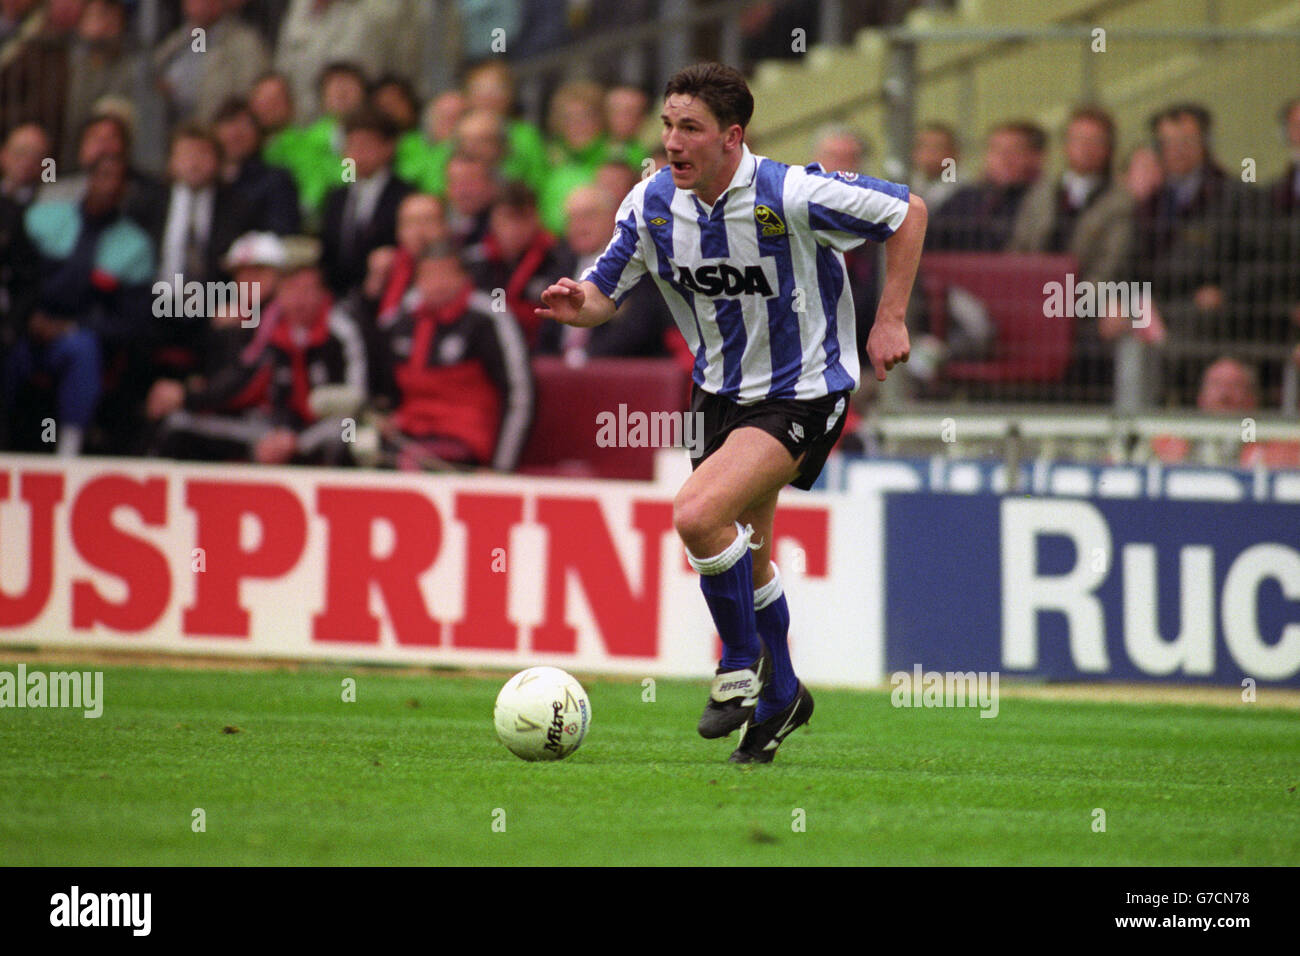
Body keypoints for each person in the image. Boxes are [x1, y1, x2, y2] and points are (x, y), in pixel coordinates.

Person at [539, 63, 925, 764]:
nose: (673, 141)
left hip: (804, 391)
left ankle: (740, 668)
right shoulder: (651, 203)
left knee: (695, 514)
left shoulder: (791, 192)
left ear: (731, 136)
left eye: (690, 128)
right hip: (719, 396)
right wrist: (579, 307)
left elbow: (906, 212)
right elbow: (604, 292)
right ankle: (783, 697)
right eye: (667, 125)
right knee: (746, 552)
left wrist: (889, 319)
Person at [374, 242, 534, 472]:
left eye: (445, 274)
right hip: (411, 431)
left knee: (410, 462)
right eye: (429, 276)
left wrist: (500, 468)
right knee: (354, 447)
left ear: (463, 277)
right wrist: (386, 419)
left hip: (465, 438)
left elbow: (519, 394)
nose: (437, 284)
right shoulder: (400, 322)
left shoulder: (489, 318)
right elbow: (384, 391)